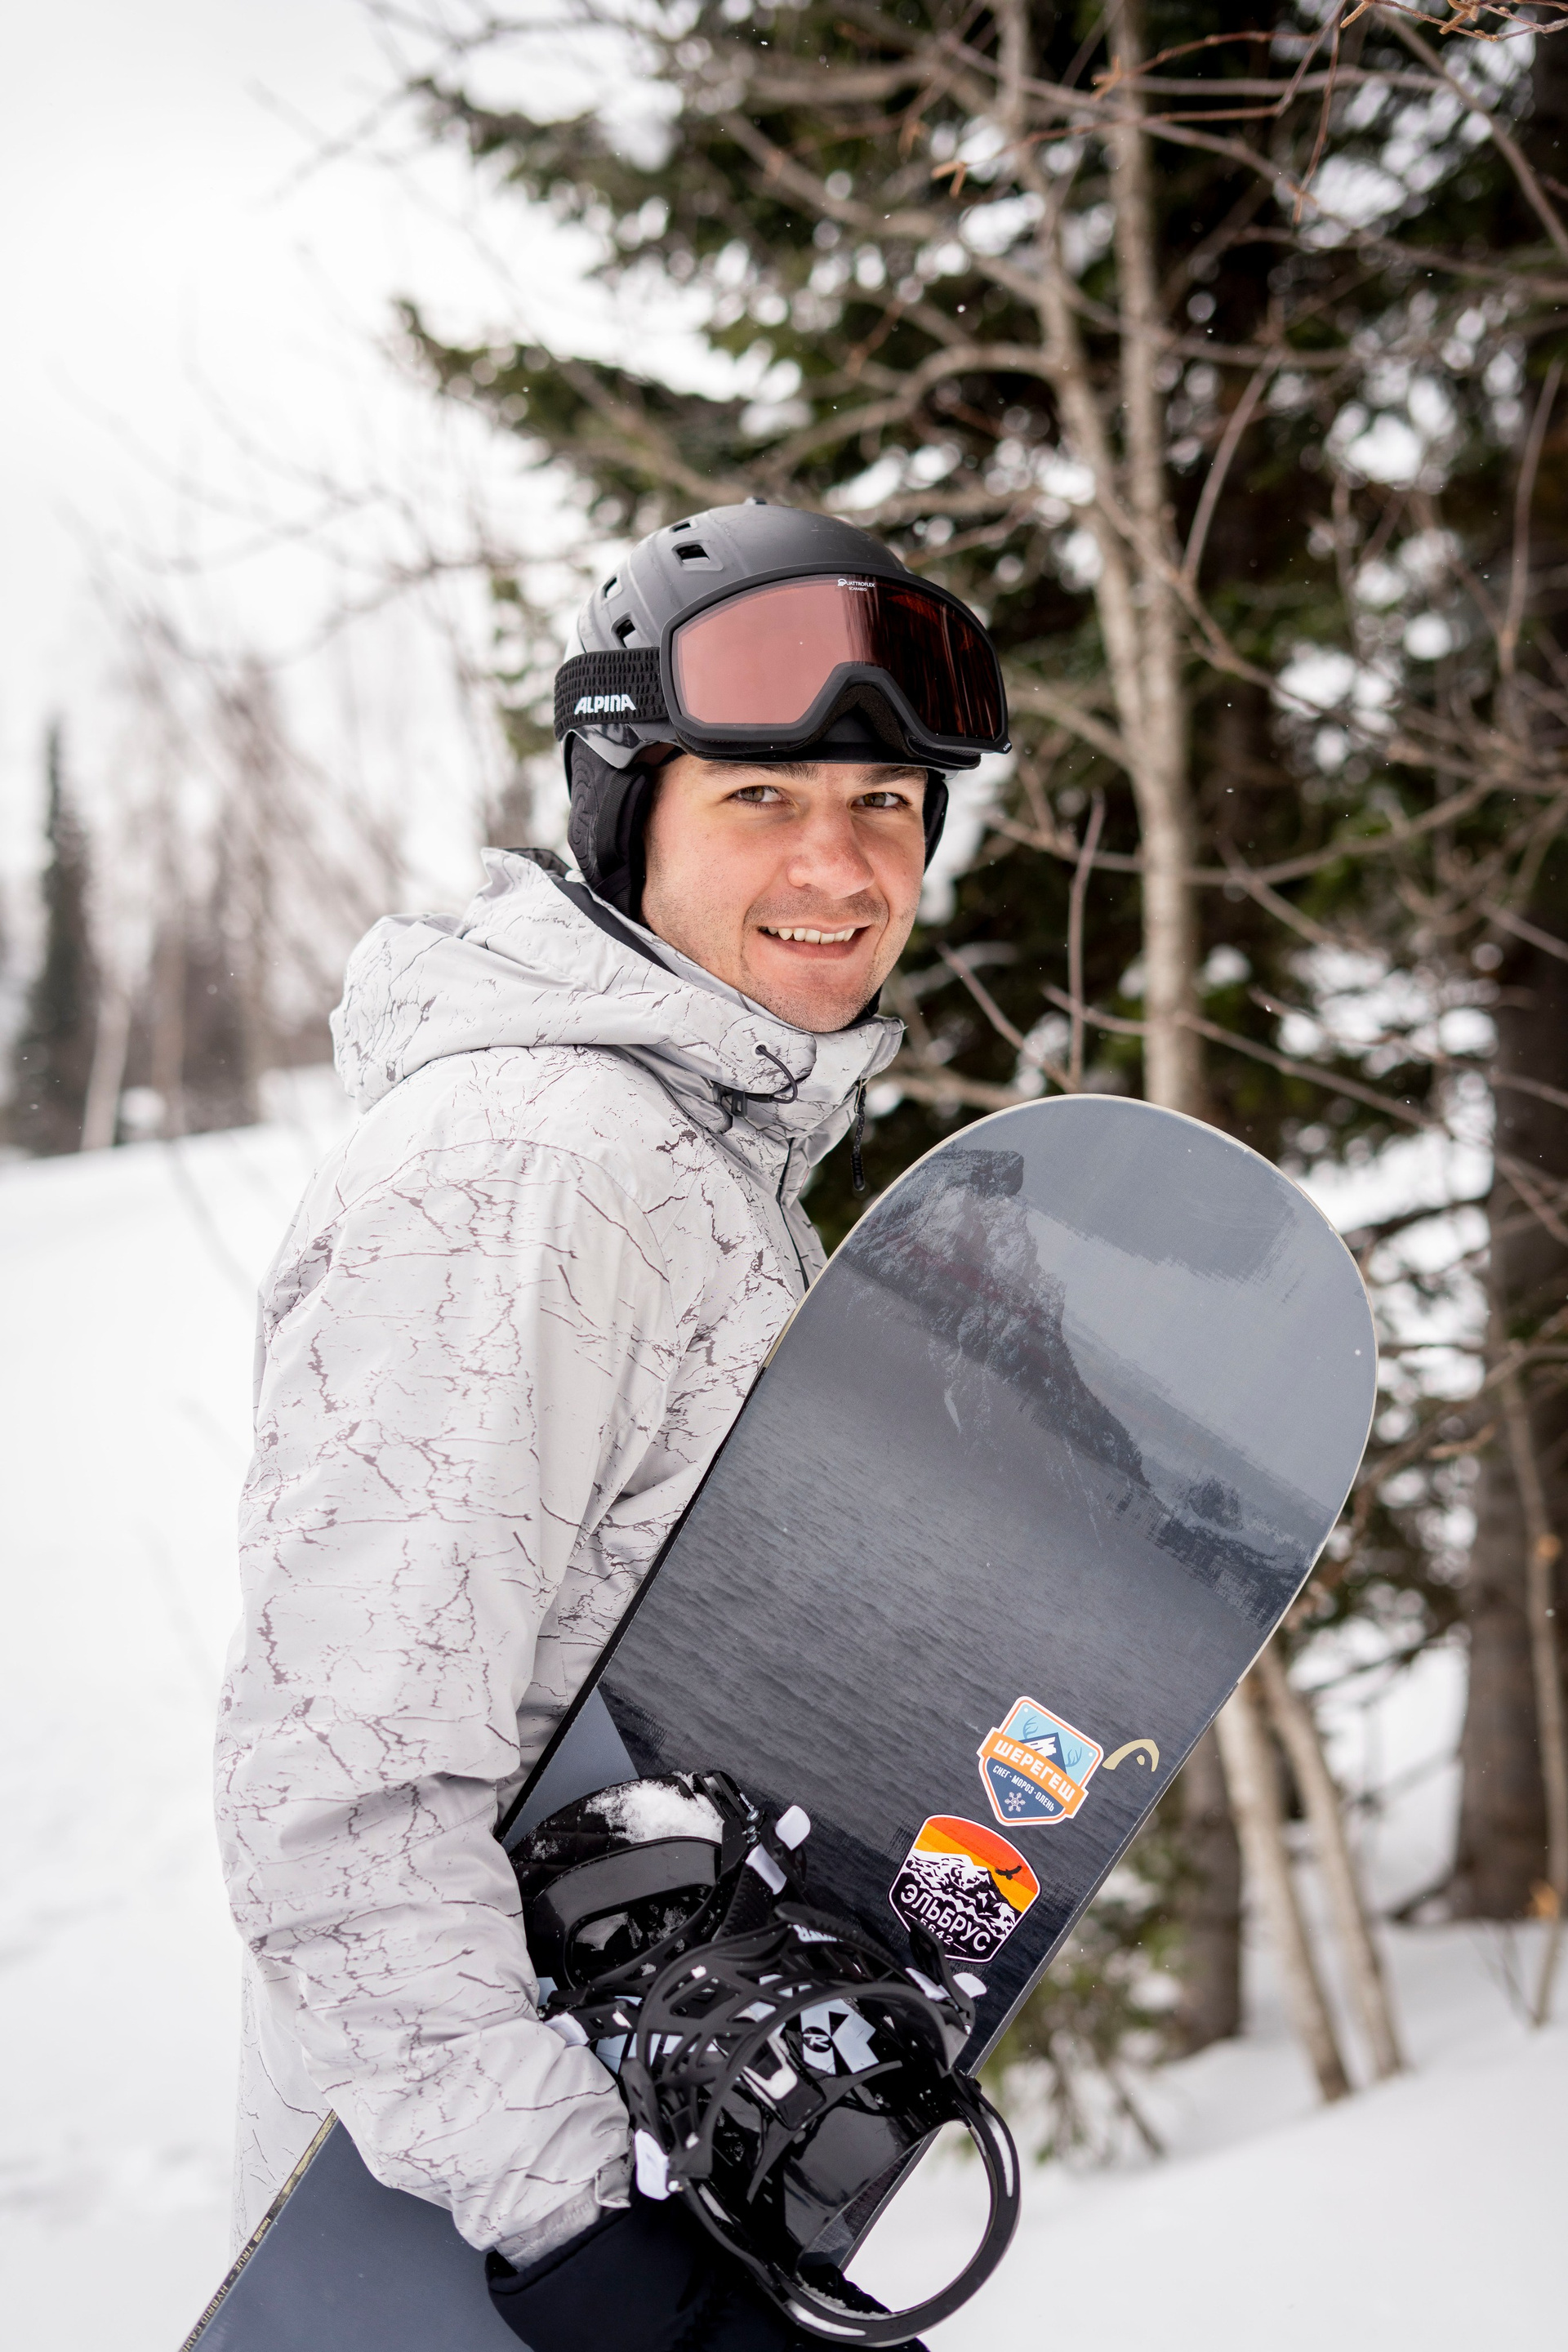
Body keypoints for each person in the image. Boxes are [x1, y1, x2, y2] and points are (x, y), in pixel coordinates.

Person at [214, 501, 1008, 2347]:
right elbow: (339, 1794)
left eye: (886, 803)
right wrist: (578, 2233)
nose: (839, 862)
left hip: (616, 2155)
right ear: (627, 811)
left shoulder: (690, 1146)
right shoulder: (530, 1161)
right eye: (761, 796)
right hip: (487, 2228)